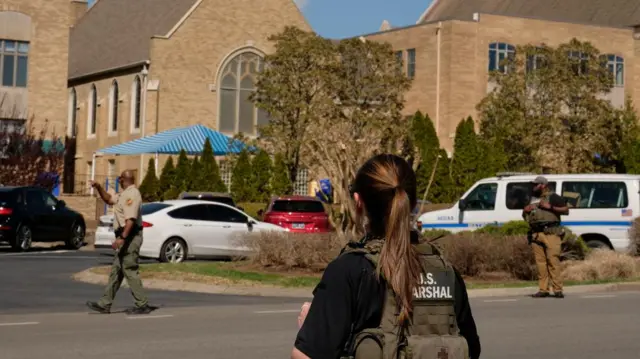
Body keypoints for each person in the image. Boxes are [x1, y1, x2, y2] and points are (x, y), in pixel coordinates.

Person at [292, 154, 481, 359]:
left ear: (358, 202)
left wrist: (310, 330)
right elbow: (472, 350)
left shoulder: (349, 270)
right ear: (413, 203)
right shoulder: (445, 271)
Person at [86, 170, 155, 314]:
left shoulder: (132, 194)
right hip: (125, 236)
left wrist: (122, 238)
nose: (118, 181)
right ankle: (105, 304)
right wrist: (98, 187)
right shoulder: (123, 194)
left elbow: (131, 219)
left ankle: (142, 304)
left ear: (124, 179)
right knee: (116, 272)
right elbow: (109, 199)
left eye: (119, 179)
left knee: (129, 269)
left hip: (130, 236)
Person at [523, 176, 569, 299]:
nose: (533, 187)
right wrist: (525, 210)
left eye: (536, 185)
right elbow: (526, 215)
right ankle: (543, 290)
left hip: (551, 233)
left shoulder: (553, 197)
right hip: (536, 235)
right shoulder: (532, 199)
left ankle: (558, 289)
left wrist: (551, 207)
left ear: (543, 185)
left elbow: (566, 210)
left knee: (553, 261)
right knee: (540, 264)